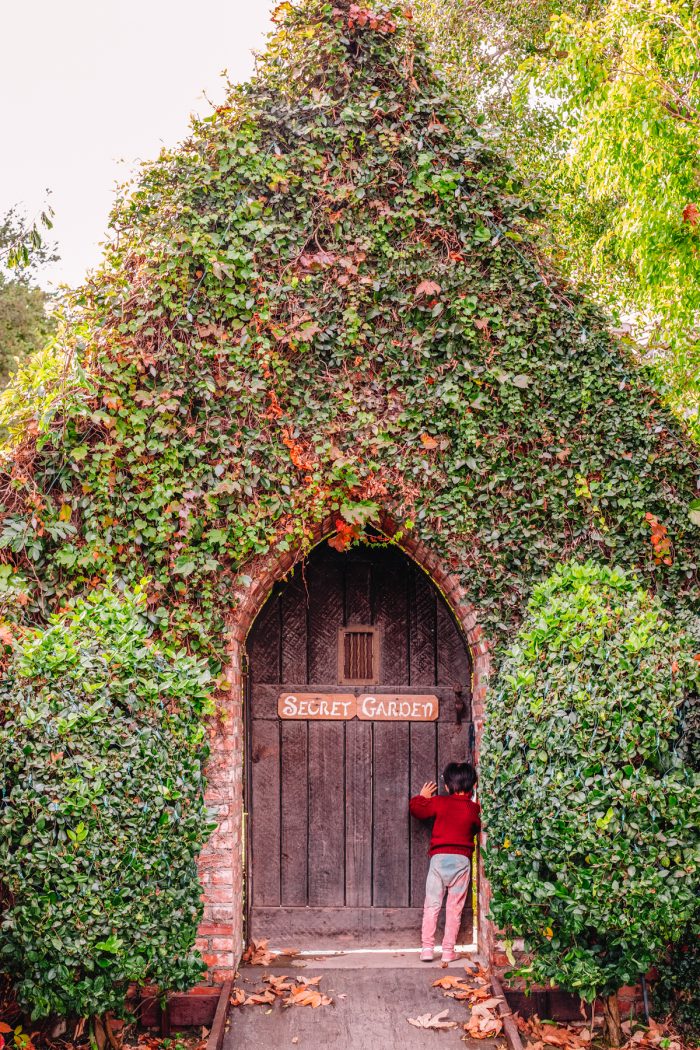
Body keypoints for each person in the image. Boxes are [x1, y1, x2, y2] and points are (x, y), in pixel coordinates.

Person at [409, 761, 481, 963]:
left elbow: (417, 809)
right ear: (473, 785)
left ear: (447, 787)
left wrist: (423, 796)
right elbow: (476, 827)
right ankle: (448, 951)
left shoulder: (440, 802)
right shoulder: (473, 809)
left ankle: (427, 949)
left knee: (431, 905)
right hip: (461, 862)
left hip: (439, 861)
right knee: (454, 908)